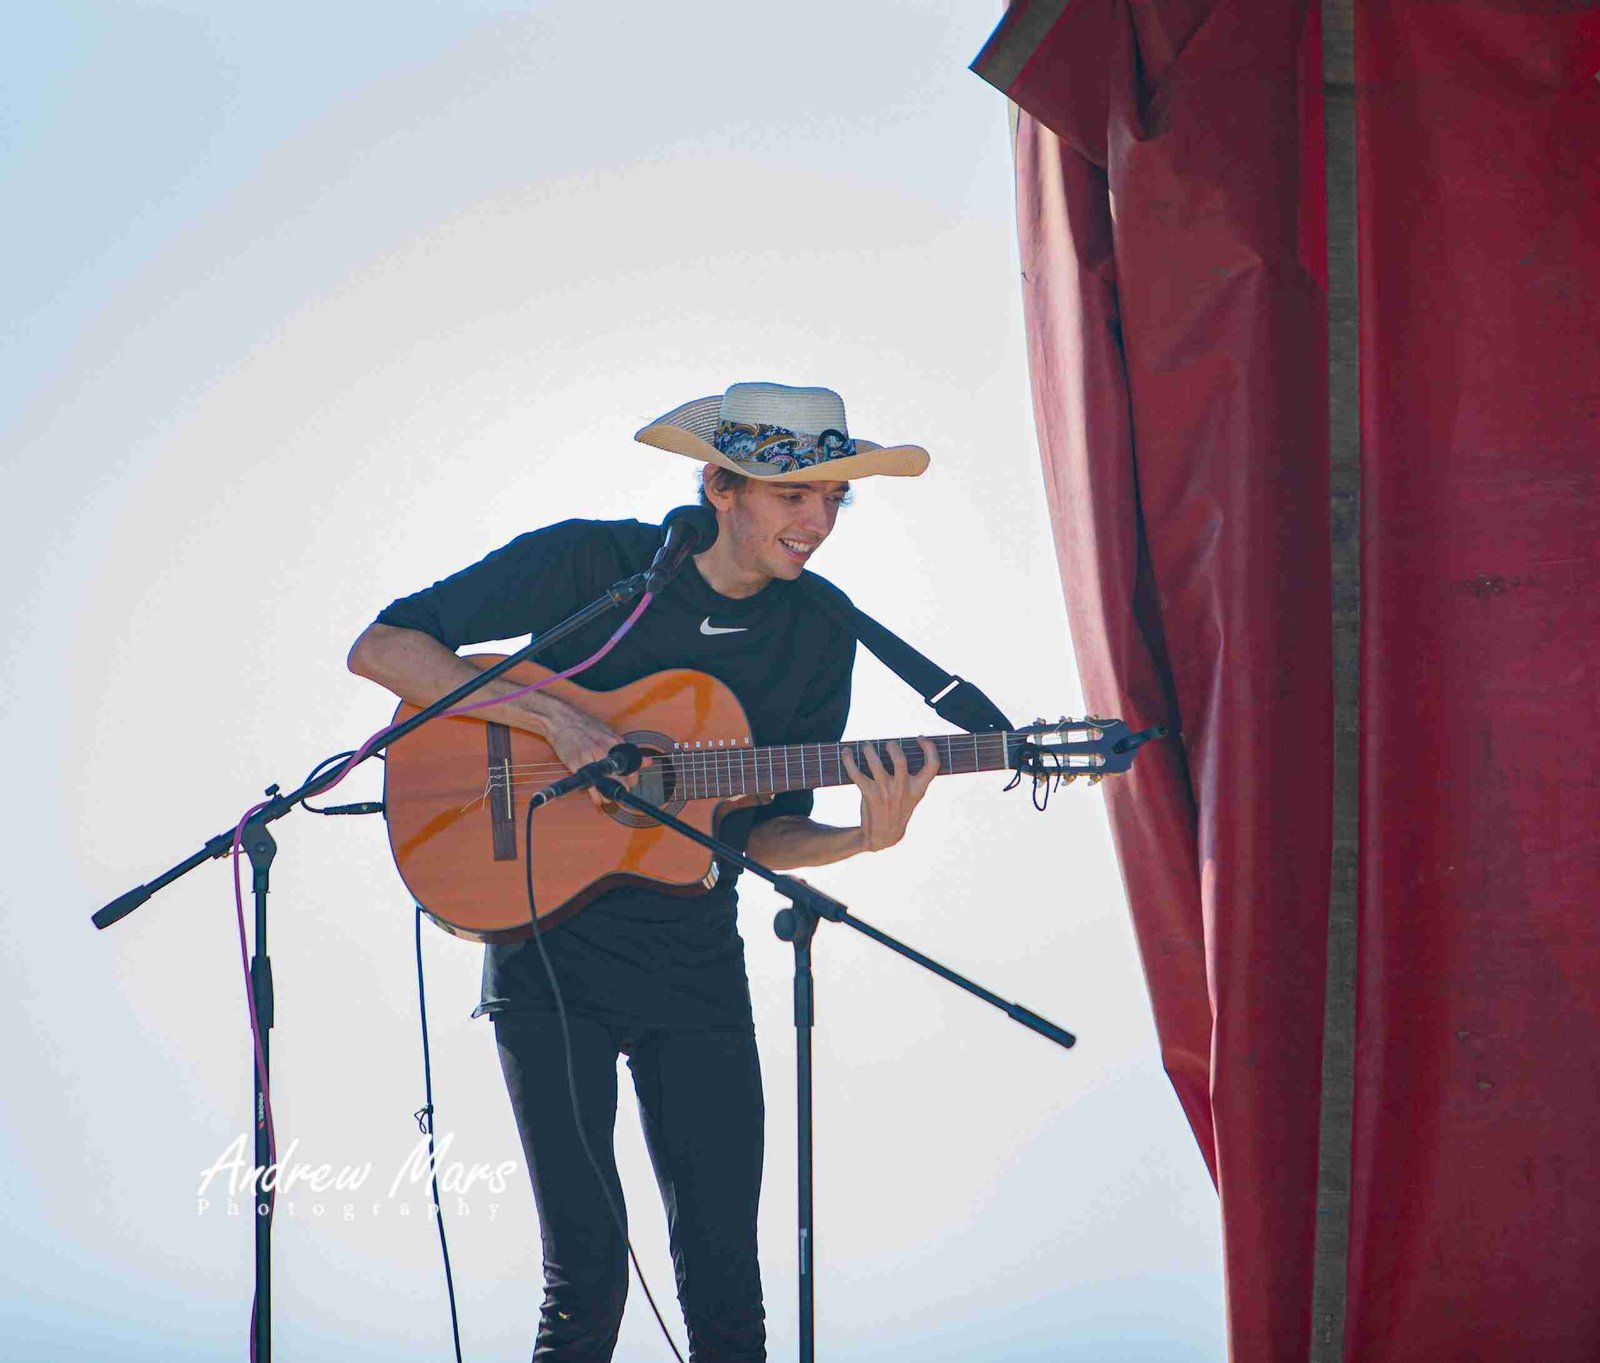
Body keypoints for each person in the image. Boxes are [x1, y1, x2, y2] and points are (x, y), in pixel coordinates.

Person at [347, 381, 940, 1362]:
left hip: (694, 966)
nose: (820, 521)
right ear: (719, 486)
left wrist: (862, 839)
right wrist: (555, 722)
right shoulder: (597, 564)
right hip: (544, 946)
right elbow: (384, 647)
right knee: (585, 1280)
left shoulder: (819, 630)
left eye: (835, 498)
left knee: (727, 1293)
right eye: (794, 494)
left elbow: (760, 832)